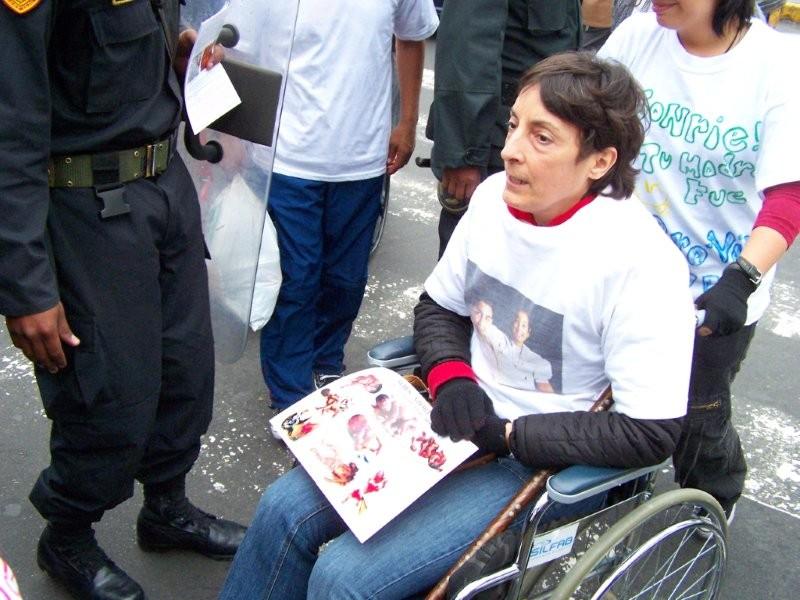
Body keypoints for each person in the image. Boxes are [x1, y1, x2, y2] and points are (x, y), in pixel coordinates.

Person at [218, 53, 695, 600]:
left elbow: (651, 431)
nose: (510, 150)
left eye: (543, 138)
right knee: (282, 511)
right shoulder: (495, 199)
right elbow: (439, 306)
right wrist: (451, 376)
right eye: (514, 124)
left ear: (599, 161)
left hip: (535, 460)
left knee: (344, 578)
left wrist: (510, 435)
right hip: (449, 416)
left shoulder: (640, 262)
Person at [0, 3, 246, 599]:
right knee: (108, 392)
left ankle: (166, 507)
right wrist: (25, 286)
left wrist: (175, 59)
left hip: (164, 190)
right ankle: (67, 533)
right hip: (87, 208)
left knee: (185, 369)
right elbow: (10, 128)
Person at [598, 0, 800, 524]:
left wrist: (742, 278)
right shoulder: (638, 37)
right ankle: (621, 482)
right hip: (624, 271)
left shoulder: (777, 69)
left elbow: (788, 198)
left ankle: (713, 494)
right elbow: (587, 117)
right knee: (615, 394)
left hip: (714, 290)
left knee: (696, 413)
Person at [258, 0, 439, 408]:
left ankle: (326, 361)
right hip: (289, 158)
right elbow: (242, 44)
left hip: (361, 158)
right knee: (295, 278)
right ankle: (289, 394)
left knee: (346, 279)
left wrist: (407, 122)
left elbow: (411, 38)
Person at [426, 0, 581, 257]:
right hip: (494, 146)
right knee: (473, 270)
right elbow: (467, 47)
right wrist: (465, 154)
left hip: (540, 140)